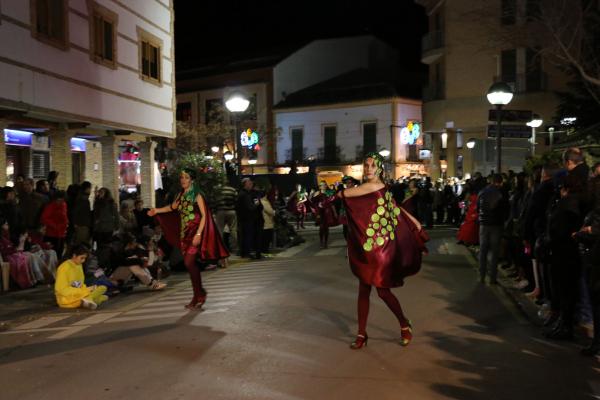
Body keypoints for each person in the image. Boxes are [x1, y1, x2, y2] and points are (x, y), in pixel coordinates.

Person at [339, 153, 428, 349]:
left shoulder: (373, 186)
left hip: (381, 248)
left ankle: (404, 323)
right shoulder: (381, 188)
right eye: (366, 165)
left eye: (372, 165)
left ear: (379, 168)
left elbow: (344, 195)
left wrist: (338, 192)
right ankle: (362, 333)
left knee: (382, 291)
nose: (368, 169)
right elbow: (395, 207)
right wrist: (414, 222)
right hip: (370, 246)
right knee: (364, 289)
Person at [149, 168, 229, 309]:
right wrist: (157, 210)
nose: (183, 180)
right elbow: (172, 208)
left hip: (195, 233)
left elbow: (205, 215)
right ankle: (199, 294)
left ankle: (199, 294)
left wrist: (198, 234)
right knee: (190, 265)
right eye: (181, 177)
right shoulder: (181, 195)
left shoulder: (197, 195)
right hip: (184, 234)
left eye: (186, 177)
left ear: (192, 179)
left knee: (189, 262)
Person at [55, 244, 108, 310]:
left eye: (85, 258)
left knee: (103, 289)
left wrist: (87, 289)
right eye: (82, 258)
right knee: (101, 293)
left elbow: (80, 284)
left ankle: (88, 299)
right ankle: (89, 299)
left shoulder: (79, 265)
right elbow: (62, 290)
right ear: (74, 255)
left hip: (77, 294)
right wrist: (86, 290)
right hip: (66, 299)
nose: (83, 261)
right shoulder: (64, 267)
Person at [477, 174, 508, 284]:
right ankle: (493, 278)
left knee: (483, 250)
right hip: (496, 224)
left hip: (483, 224)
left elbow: (478, 208)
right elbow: (505, 209)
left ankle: (481, 276)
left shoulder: (482, 192)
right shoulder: (502, 193)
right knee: (495, 252)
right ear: (500, 182)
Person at [236, 178, 264, 259]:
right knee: (247, 236)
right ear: (245, 184)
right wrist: (256, 204)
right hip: (248, 219)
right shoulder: (244, 194)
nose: (251, 185)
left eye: (251, 183)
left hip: (249, 219)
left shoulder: (249, 194)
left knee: (247, 236)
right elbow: (251, 207)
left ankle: (247, 252)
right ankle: (247, 253)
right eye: (249, 183)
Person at [310, 181, 339, 249]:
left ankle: (325, 243)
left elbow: (332, 204)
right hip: (320, 212)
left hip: (327, 212)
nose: (323, 186)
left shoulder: (329, 193)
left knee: (326, 228)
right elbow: (312, 202)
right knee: (321, 227)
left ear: (326, 185)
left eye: (324, 185)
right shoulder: (317, 193)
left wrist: (335, 213)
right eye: (321, 185)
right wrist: (311, 194)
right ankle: (321, 242)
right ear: (319, 186)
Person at [40, 190, 69, 259]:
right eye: (59, 200)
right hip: (51, 233)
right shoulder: (50, 206)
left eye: (62, 200)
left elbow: (64, 216)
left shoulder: (64, 205)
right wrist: (55, 226)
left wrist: (66, 223)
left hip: (61, 233)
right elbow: (44, 218)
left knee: (59, 252)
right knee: (51, 253)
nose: (60, 202)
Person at [214, 181, 238, 251]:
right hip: (231, 211)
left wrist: (215, 210)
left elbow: (214, 201)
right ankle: (234, 247)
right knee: (233, 230)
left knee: (220, 229)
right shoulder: (233, 190)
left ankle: (219, 247)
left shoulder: (218, 190)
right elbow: (236, 200)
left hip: (220, 211)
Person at [71, 181, 93, 245]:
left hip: (82, 224)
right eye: (90, 188)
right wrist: (75, 223)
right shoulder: (82, 199)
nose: (90, 190)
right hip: (82, 225)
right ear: (86, 188)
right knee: (81, 244)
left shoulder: (82, 198)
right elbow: (76, 211)